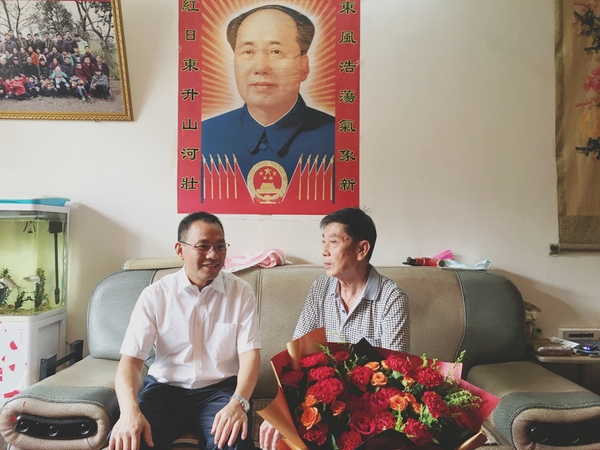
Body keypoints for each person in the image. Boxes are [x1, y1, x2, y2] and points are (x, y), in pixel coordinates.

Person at [258, 207, 411, 450]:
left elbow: (395, 372)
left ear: (361, 249)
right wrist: (283, 410)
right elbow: (296, 355)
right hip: (325, 402)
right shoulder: (320, 288)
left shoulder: (391, 297)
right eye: (323, 241)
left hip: (371, 407)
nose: (324, 251)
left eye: (334, 242)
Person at [108, 211, 260, 450]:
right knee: (128, 442)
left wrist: (238, 402)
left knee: (233, 444)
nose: (213, 255)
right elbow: (131, 362)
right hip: (164, 391)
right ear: (180, 250)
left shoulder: (241, 292)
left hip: (220, 392)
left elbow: (250, 355)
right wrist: (129, 412)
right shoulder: (155, 295)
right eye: (203, 246)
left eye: (220, 246)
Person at [201, 4, 334, 184]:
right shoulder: (204, 136)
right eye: (248, 52)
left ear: (304, 67)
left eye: (276, 52)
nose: (261, 67)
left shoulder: (336, 137)